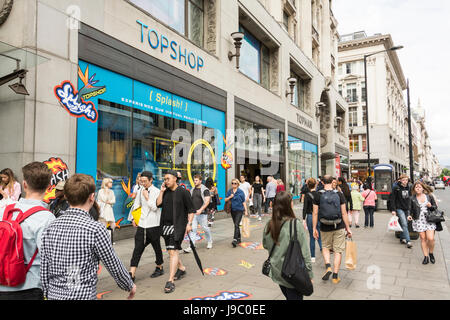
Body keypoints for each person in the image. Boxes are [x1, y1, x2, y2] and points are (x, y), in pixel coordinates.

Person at [40, 174, 136, 300]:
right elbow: (113, 263)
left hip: (54, 295)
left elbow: (44, 269)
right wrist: (129, 285)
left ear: (67, 197)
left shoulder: (50, 227)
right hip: (82, 295)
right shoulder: (95, 229)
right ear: (92, 197)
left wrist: (48, 293)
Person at [0, 162, 55, 300]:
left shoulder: (4, 211)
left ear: (24, 184)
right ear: (49, 187)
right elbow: (51, 259)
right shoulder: (47, 218)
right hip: (29, 287)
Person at [263, 191, 313, 300]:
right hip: (293, 273)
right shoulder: (295, 224)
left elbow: (265, 245)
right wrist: (309, 273)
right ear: (289, 205)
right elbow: (305, 252)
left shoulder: (269, 224)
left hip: (277, 271)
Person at [156, 170, 195, 294]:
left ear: (175, 179)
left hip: (178, 226)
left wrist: (189, 224)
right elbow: (158, 204)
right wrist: (161, 191)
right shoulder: (165, 192)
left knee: (173, 251)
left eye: (167, 179)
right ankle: (182, 268)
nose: (165, 181)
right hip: (165, 226)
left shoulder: (184, 192)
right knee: (171, 251)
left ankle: (170, 281)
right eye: (164, 179)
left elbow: (191, 209)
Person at [312, 175, 352, 284]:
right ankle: (335, 275)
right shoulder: (339, 194)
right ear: (333, 181)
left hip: (324, 226)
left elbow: (315, 213)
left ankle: (328, 266)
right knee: (338, 251)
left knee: (325, 247)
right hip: (338, 225)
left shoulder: (317, 195)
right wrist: (348, 228)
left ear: (322, 182)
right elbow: (344, 213)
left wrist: (314, 228)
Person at [128, 171, 164, 282]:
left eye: (145, 181)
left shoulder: (157, 191)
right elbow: (136, 205)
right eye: (141, 181)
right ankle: (131, 273)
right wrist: (134, 218)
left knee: (156, 246)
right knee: (138, 248)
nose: (142, 183)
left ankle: (159, 266)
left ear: (151, 180)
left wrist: (147, 198)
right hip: (142, 224)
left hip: (154, 224)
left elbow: (154, 208)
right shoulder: (140, 190)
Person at [410, 181, 441, 264]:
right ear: (414, 189)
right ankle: (426, 256)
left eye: (419, 187)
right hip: (419, 220)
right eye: (416, 187)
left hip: (429, 219)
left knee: (430, 238)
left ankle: (431, 253)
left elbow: (435, 207)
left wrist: (430, 206)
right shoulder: (412, 198)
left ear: (423, 188)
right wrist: (409, 215)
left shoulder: (429, 196)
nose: (418, 188)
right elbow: (410, 209)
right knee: (423, 238)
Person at [185, 174, 212, 252]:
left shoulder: (205, 190)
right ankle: (192, 246)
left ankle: (209, 241)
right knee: (192, 229)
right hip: (193, 213)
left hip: (202, 213)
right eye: (194, 180)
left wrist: (201, 209)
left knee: (205, 228)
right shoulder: (192, 189)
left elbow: (207, 201)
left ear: (200, 181)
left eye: (196, 180)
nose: (195, 182)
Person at [389, 174, 413, 249]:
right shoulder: (396, 188)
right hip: (399, 208)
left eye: (406, 180)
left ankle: (402, 238)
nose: (405, 181)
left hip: (407, 208)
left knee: (405, 223)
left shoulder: (409, 187)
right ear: (400, 180)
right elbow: (392, 199)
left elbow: (411, 198)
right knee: (404, 223)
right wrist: (393, 210)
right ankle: (408, 241)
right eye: (403, 180)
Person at [302, 178, 322, 263]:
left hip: (310, 216)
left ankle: (313, 256)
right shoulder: (319, 194)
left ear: (308, 185)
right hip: (319, 216)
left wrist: (303, 219)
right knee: (320, 234)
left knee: (312, 236)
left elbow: (305, 207)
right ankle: (322, 248)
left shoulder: (307, 195)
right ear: (316, 184)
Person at [225, 178, 248, 248]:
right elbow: (225, 199)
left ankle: (235, 240)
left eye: (235, 183)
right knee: (236, 225)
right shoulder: (229, 191)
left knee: (236, 224)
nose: (233, 184)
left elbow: (243, 202)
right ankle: (239, 238)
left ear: (238, 184)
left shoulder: (241, 192)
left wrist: (246, 210)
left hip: (239, 210)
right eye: (232, 183)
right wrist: (230, 197)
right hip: (232, 210)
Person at [97, 178, 116, 244]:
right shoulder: (101, 191)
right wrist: (106, 192)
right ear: (106, 183)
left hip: (109, 209)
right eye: (110, 182)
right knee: (103, 225)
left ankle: (110, 238)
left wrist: (109, 202)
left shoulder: (112, 191)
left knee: (113, 224)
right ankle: (103, 241)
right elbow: (104, 199)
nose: (111, 184)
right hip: (103, 210)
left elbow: (113, 200)